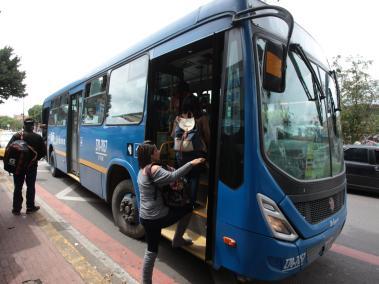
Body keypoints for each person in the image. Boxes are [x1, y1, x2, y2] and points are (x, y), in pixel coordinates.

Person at [137, 141, 205, 284]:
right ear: (151, 155)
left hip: (145, 216)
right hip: (156, 218)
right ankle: (177, 240)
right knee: (151, 251)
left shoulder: (142, 170)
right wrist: (192, 163)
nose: (158, 150)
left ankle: (177, 240)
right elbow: (173, 176)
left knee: (151, 250)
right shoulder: (155, 169)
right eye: (155, 149)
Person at [171, 94, 210, 205]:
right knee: (194, 176)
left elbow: (173, 135)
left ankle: (183, 199)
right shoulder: (202, 118)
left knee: (184, 175)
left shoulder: (178, 118)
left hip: (181, 153)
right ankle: (191, 202)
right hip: (196, 154)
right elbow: (207, 136)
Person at [6, 118, 46, 215]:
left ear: (24, 126)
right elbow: (43, 152)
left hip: (18, 167)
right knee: (30, 186)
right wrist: (35, 158)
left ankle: (16, 209)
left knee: (18, 187)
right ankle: (30, 207)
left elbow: (8, 149)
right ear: (33, 126)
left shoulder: (16, 136)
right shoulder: (38, 137)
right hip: (31, 166)